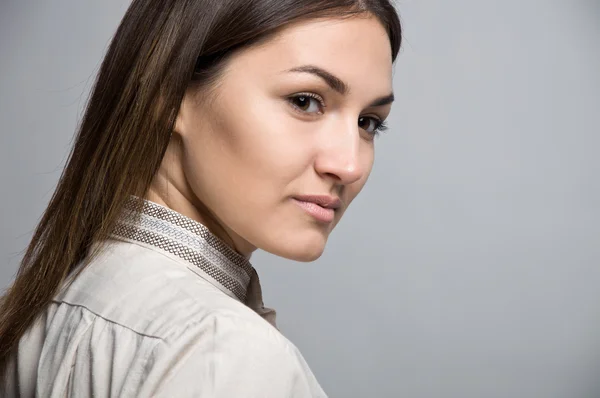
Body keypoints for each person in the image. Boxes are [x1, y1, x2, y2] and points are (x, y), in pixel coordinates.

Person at [0, 0, 402, 396]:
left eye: (369, 123)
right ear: (169, 93)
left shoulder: (40, 308)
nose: (349, 165)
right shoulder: (226, 352)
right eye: (304, 101)